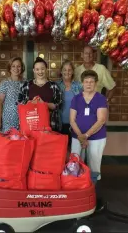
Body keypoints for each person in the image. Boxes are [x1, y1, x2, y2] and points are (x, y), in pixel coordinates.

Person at [70, 70, 108, 211]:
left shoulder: (100, 98)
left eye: (92, 82)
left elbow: (101, 120)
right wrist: (81, 136)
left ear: (96, 83)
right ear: (82, 83)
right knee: (75, 165)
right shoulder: (76, 99)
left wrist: (86, 136)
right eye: (86, 81)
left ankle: (91, 198)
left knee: (94, 167)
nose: (89, 84)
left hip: (97, 138)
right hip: (77, 137)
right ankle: (76, 195)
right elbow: (72, 120)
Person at [18, 57, 62, 132]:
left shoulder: (54, 86)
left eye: (42, 69)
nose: (40, 72)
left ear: (46, 69)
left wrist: (43, 104)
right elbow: (20, 103)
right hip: (31, 125)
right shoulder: (26, 85)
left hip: (50, 126)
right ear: (33, 70)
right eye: (37, 69)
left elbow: (58, 105)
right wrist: (31, 103)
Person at [56, 60, 82, 148]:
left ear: (73, 72)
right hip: (59, 124)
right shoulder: (56, 85)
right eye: (65, 70)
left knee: (74, 151)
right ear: (61, 71)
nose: (67, 72)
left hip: (76, 124)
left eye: (70, 70)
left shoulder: (79, 86)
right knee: (61, 151)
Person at [0, 57, 25, 133]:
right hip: (8, 121)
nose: (16, 68)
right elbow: (0, 103)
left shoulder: (26, 82)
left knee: (22, 143)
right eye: (13, 66)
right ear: (9, 68)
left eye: (18, 66)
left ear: (22, 68)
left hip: (23, 120)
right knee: (10, 143)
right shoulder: (4, 83)